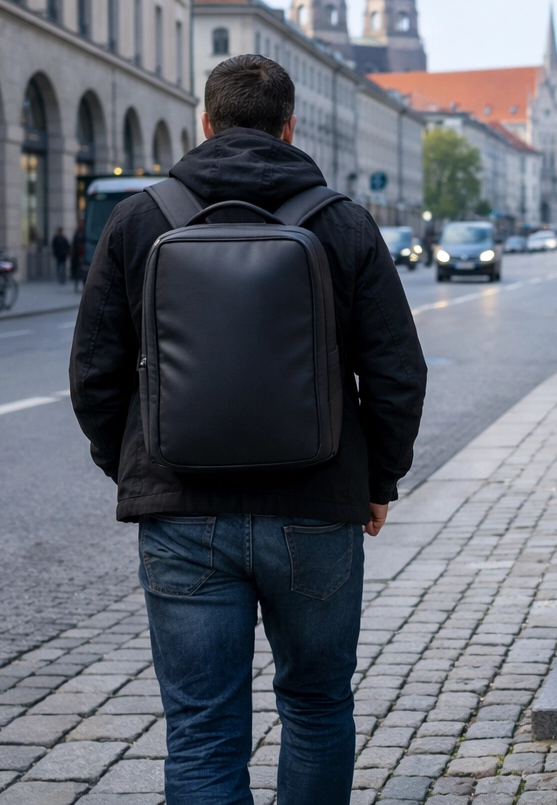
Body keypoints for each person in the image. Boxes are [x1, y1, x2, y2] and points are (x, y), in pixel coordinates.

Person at [69, 54, 426, 805]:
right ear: (290, 128)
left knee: (201, 725)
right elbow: (396, 372)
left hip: (180, 509)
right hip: (316, 504)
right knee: (317, 705)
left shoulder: (140, 219)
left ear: (206, 123)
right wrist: (378, 480)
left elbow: (94, 374)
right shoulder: (342, 222)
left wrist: (136, 465)